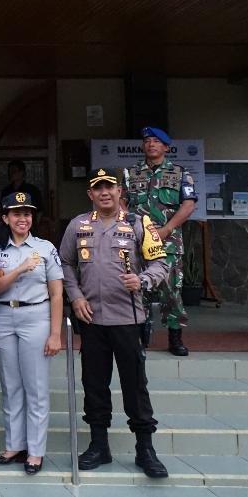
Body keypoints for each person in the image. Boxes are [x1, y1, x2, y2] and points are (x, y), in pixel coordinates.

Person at [60, 169, 169, 478]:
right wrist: (75, 296)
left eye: (110, 187)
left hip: (128, 319)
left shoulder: (138, 223)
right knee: (94, 383)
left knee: (135, 385)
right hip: (90, 319)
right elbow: (65, 263)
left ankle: (145, 448)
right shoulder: (78, 225)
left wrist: (143, 279)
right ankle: (98, 445)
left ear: (120, 191)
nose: (104, 192)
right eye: (98, 188)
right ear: (90, 194)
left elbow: (161, 263)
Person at [0, 191, 64, 475]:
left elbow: (57, 294)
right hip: (3, 315)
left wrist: (55, 333)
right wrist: (20, 269)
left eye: (28, 213)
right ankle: (13, 445)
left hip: (36, 315)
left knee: (36, 386)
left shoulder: (45, 248)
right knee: (11, 385)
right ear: (5, 218)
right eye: (17, 213)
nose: (23, 218)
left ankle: (35, 450)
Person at [125, 126, 198, 357]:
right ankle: (140, 336)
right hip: (137, 242)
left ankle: (175, 338)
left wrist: (167, 229)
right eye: (147, 141)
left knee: (171, 291)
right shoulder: (131, 173)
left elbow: (188, 205)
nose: (151, 144)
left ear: (166, 147)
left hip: (168, 241)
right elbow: (122, 203)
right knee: (138, 289)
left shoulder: (180, 173)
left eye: (156, 141)